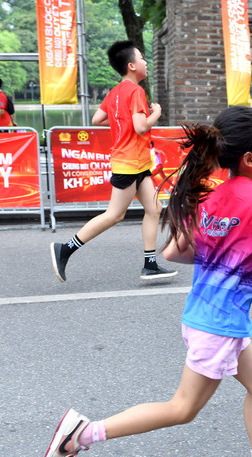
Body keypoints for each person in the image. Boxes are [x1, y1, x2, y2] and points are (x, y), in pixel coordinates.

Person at [41, 106, 252, 457]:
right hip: (218, 325)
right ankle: (82, 434)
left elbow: (174, 252)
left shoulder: (214, 196)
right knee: (182, 409)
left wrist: (223, 250)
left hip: (207, 319)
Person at [49, 41, 176, 282]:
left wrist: (124, 122)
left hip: (138, 164)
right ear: (131, 66)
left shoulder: (116, 92)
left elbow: (98, 119)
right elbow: (140, 127)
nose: (146, 62)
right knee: (115, 215)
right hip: (128, 163)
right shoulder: (136, 91)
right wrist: (156, 113)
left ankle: (150, 264)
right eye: (142, 58)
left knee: (154, 208)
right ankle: (65, 249)